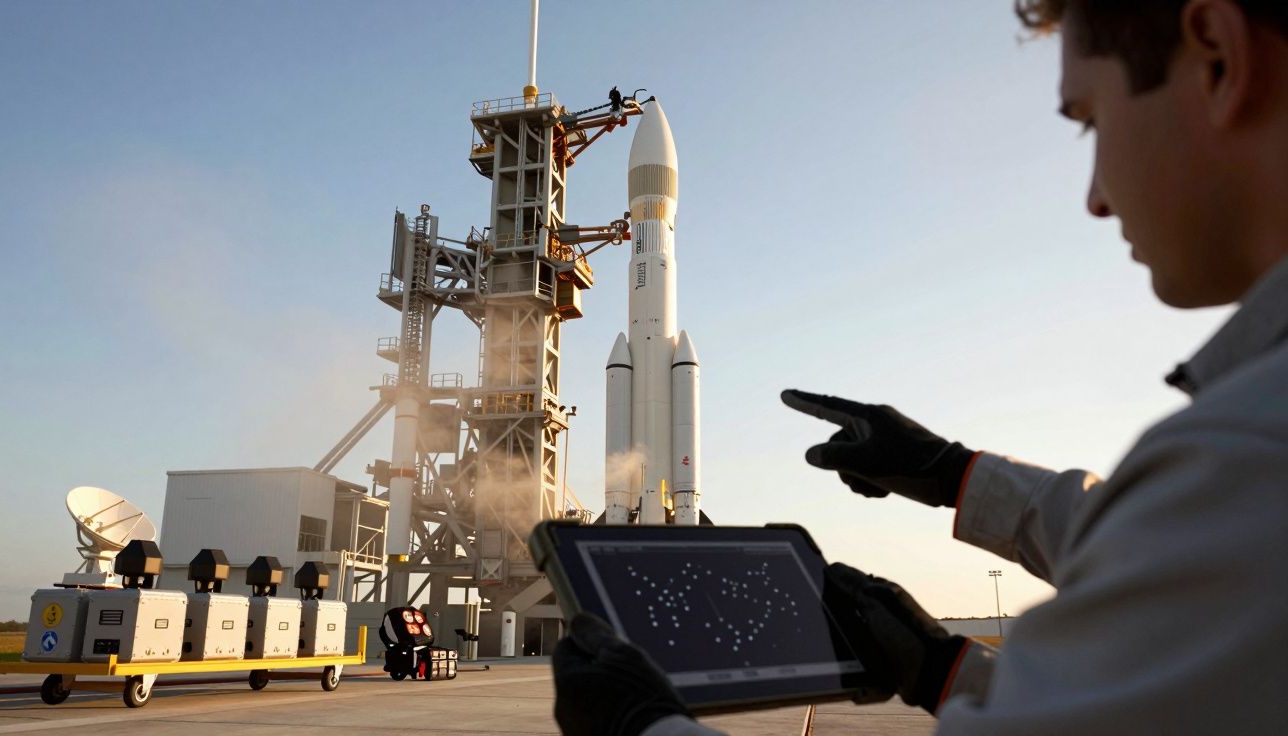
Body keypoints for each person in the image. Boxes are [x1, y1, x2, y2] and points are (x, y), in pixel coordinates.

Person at [552, 1, 1288, 733]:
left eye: (1090, 120)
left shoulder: (1246, 458)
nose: (1095, 197)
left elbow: (1169, 549)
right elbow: (1145, 558)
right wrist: (953, 493)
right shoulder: (1245, 449)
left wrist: (642, 727)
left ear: (1218, 59)